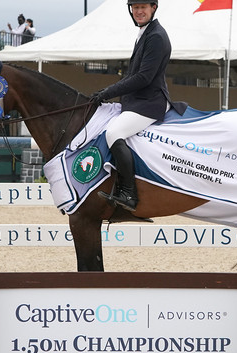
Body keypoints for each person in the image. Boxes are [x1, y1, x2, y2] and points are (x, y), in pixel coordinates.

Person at [91, 0, 186, 211]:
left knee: (113, 133)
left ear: (153, 8)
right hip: (138, 101)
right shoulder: (145, 32)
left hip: (150, 102)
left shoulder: (156, 37)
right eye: (135, 8)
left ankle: (128, 193)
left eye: (143, 7)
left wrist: (109, 92)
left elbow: (143, 78)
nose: (139, 11)